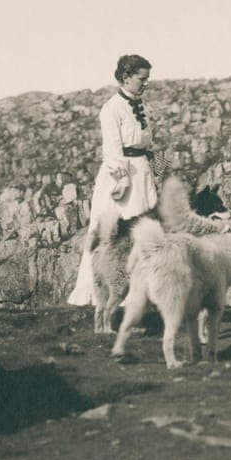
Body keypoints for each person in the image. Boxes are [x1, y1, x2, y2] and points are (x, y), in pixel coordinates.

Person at [68, 54, 159, 306]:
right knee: (119, 235)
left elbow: (146, 145)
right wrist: (121, 182)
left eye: (147, 79)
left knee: (147, 231)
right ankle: (106, 294)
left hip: (143, 173)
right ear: (126, 77)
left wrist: (160, 169)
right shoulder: (111, 109)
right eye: (142, 79)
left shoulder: (142, 105)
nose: (145, 83)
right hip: (123, 180)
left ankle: (142, 296)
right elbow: (112, 151)